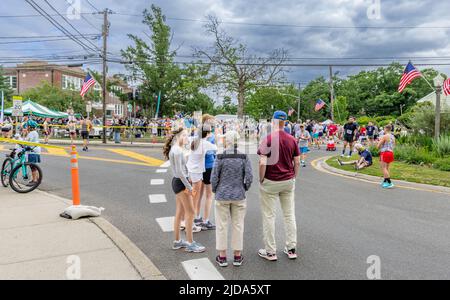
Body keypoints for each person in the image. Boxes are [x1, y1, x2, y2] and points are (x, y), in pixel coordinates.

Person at [257, 111, 300, 261]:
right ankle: (291, 248)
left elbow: (262, 162)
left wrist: (261, 178)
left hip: (271, 180)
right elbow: (297, 162)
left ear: (273, 121)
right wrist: (294, 176)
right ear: (286, 122)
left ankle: (270, 251)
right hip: (288, 180)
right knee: (289, 215)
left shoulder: (267, 139)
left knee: (269, 215)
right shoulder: (292, 139)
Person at [211, 130, 253, 267]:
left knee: (222, 226)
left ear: (227, 141)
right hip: (239, 194)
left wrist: (215, 190)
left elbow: (214, 177)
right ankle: (237, 256)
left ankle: (222, 257)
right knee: (238, 225)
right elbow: (249, 176)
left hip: (222, 194)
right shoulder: (243, 156)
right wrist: (244, 187)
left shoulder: (220, 157)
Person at [163, 128, 206, 253]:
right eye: (185, 136)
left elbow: (180, 171)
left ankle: (177, 241)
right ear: (179, 137)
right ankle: (190, 243)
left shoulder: (176, 149)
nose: (188, 138)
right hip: (181, 183)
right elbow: (181, 173)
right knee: (191, 212)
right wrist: (190, 187)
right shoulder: (177, 151)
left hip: (179, 182)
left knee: (179, 212)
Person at [186, 125, 218, 227]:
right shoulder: (205, 143)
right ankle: (191, 223)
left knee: (194, 196)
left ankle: (194, 218)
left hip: (190, 170)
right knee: (195, 197)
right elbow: (217, 148)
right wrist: (216, 136)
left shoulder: (194, 140)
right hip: (197, 172)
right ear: (208, 133)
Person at [200, 114, 218, 231]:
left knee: (199, 195)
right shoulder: (210, 136)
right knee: (209, 196)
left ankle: (197, 217)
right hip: (209, 165)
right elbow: (210, 151)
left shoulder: (199, 133)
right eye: (211, 121)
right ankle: (205, 220)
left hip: (199, 167)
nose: (213, 123)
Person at [378, 125, 396, 189]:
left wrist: (379, 141)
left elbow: (378, 146)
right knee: (387, 168)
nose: (383, 130)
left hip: (385, 152)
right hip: (391, 152)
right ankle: (385, 181)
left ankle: (390, 182)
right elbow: (394, 145)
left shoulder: (385, 136)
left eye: (384, 129)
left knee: (383, 168)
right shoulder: (393, 137)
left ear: (386, 129)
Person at [25, 120, 41, 186]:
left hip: (32, 151)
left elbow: (27, 142)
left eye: (27, 126)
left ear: (30, 126)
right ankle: (37, 179)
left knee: (32, 166)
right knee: (34, 166)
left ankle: (34, 180)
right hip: (36, 151)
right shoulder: (35, 132)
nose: (26, 127)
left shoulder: (31, 133)